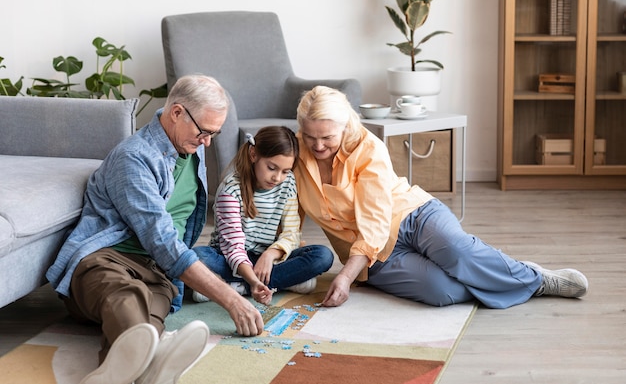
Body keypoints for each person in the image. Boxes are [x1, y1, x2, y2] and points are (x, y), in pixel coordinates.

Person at [46, 74, 264, 384]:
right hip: (104, 261)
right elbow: (162, 240)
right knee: (129, 295)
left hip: (159, 273)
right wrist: (230, 299)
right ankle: (154, 357)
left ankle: (135, 371)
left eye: (214, 133)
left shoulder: (191, 145)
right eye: (204, 132)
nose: (208, 142)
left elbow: (175, 239)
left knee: (150, 313)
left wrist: (178, 277)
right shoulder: (133, 158)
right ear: (177, 113)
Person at [293, 85, 589, 310]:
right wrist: (281, 252)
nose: (318, 146)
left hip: (412, 215)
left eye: (327, 137)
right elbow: (289, 211)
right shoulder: (294, 154)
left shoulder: (368, 148)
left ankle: (535, 279)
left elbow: (374, 219)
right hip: (375, 257)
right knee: (441, 291)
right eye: (310, 136)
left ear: (345, 127)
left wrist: (343, 277)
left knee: (457, 253)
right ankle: (497, 270)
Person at [192, 126, 334, 306]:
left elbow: (292, 233)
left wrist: (270, 255)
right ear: (253, 154)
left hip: (269, 259)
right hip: (231, 258)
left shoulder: (288, 182)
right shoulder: (230, 190)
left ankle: (230, 286)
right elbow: (233, 248)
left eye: (284, 171)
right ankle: (276, 283)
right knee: (198, 257)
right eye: (272, 168)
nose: (277, 178)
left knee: (322, 256)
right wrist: (253, 280)